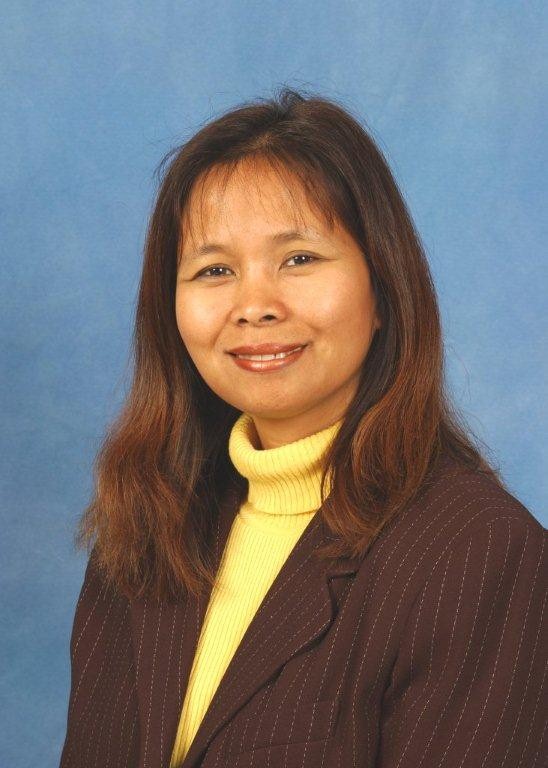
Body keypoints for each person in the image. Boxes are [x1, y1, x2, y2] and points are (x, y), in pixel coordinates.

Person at [59, 88, 548, 768]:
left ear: (384, 290)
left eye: (299, 259)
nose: (254, 305)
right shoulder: (147, 528)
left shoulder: (478, 552)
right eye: (215, 270)